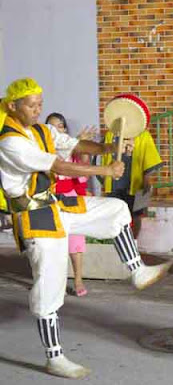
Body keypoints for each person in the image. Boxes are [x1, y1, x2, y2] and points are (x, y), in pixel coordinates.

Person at [0, 78, 172, 379]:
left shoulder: (42, 130)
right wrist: (104, 169)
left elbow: (75, 144)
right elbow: (59, 166)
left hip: (55, 204)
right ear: (13, 106)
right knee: (49, 286)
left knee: (116, 209)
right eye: (31, 105)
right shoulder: (10, 142)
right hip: (34, 216)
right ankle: (54, 357)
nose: (38, 110)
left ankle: (137, 270)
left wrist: (107, 147)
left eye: (40, 103)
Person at [46, 112, 95, 297]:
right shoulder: (44, 152)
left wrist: (82, 147)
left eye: (59, 126)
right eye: (50, 126)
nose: (55, 130)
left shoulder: (74, 150)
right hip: (50, 200)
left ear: (64, 130)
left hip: (71, 199)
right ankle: (55, 282)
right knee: (51, 242)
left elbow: (83, 172)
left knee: (75, 241)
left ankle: (78, 280)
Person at [100, 126, 163, 239]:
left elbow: (149, 160)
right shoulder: (111, 134)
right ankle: (120, 242)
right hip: (115, 183)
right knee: (115, 215)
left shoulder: (143, 135)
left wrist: (147, 183)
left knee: (136, 215)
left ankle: (134, 242)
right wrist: (106, 181)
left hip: (136, 182)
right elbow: (106, 159)